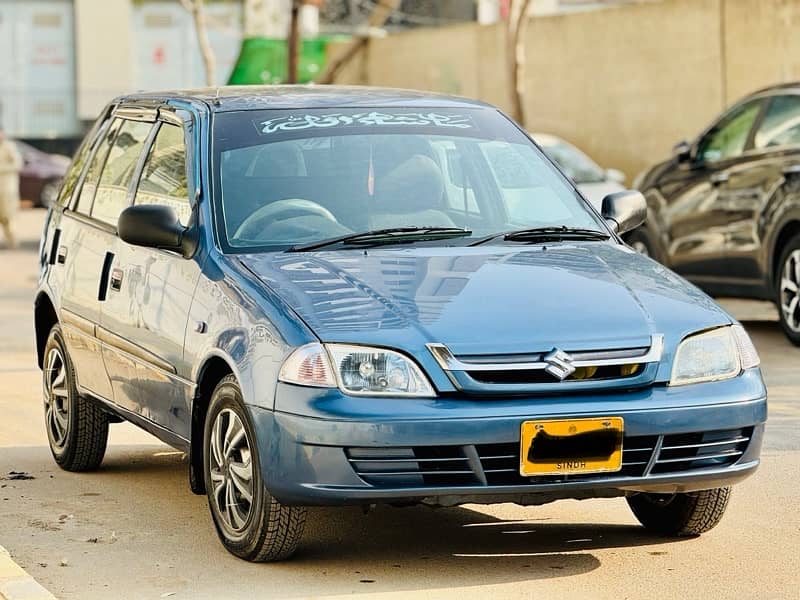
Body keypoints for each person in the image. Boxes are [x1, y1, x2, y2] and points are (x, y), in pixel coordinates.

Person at [0, 128, 22, 249]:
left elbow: (18, 164)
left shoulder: (9, 147)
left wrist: (1, 168)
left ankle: (12, 243)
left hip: (8, 190)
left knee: (8, 218)